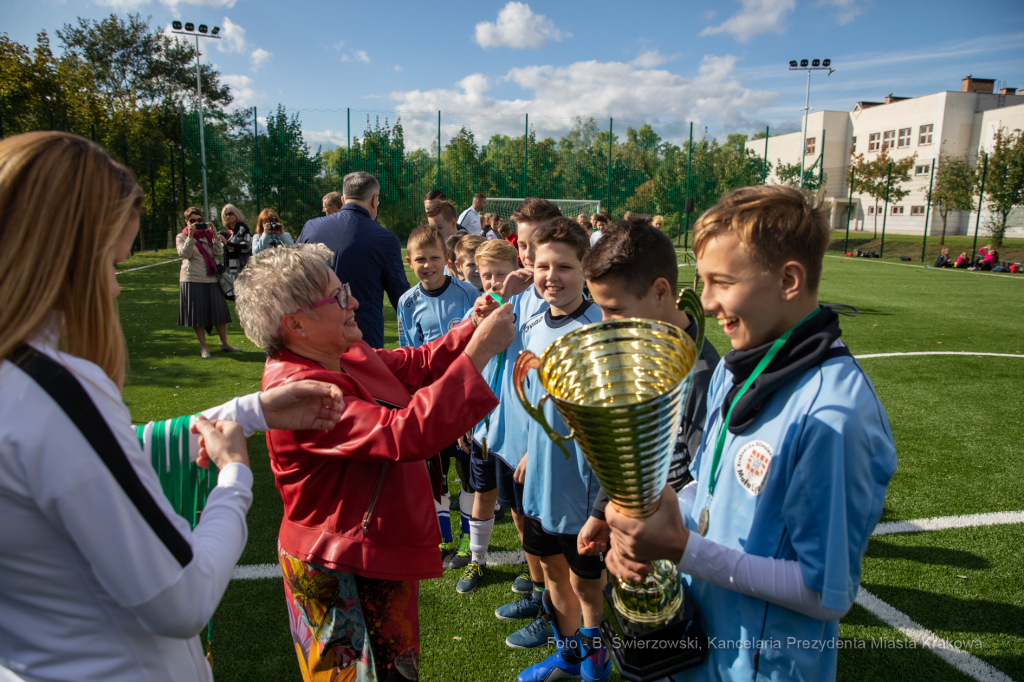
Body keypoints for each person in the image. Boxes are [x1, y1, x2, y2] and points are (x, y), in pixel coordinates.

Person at [0, 131, 347, 682]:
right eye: (110, 264)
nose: (114, 288)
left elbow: (86, 463)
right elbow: (179, 599)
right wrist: (233, 478)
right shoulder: (52, 392)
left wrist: (251, 411)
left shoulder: (23, 391)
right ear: (62, 255)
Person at [604, 185, 897, 682]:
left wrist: (681, 548)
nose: (707, 301)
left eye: (721, 282)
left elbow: (826, 593)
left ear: (789, 280)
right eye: (702, 281)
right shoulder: (739, 365)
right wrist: (649, 515)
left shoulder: (834, 415)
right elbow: (709, 488)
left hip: (768, 668)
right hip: (704, 646)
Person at [232, 243, 516, 682]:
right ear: (296, 324)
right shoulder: (300, 391)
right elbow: (405, 435)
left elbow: (414, 365)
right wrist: (478, 354)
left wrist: (476, 320)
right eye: (339, 297)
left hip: (367, 552)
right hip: (340, 567)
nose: (356, 302)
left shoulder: (337, 352)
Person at [577, 217, 720, 559]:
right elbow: (630, 451)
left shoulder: (701, 373)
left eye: (615, 310)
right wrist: (600, 511)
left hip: (680, 547)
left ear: (660, 292)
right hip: (634, 530)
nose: (604, 324)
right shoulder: (638, 347)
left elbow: (710, 492)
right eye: (600, 309)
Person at [511, 218, 609, 682]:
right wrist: (533, 449)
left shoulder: (599, 330)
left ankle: (595, 663)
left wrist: (602, 506)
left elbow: (610, 424)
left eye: (564, 267)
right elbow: (543, 404)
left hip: (581, 487)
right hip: (541, 480)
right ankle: (569, 654)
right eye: (543, 264)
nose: (551, 276)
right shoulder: (533, 324)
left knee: (586, 583)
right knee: (551, 572)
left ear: (586, 269)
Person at [397, 226, 481, 559]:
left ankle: (466, 539)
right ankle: (443, 537)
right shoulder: (407, 302)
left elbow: (478, 347)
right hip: (430, 401)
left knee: (467, 472)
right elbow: (409, 355)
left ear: (447, 259)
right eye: (420, 260)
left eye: (435, 258)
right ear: (409, 262)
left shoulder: (467, 294)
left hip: (463, 399)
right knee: (436, 471)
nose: (428, 265)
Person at [455, 238, 522, 594]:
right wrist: (466, 416)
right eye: (486, 276)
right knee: (483, 493)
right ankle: (477, 560)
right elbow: (467, 369)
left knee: (518, 507)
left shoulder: (528, 312)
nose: (494, 283)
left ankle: (531, 566)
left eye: (501, 274)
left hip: (517, 429)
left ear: (517, 269)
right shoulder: (474, 314)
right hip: (484, 425)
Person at [297, 171, 410, 349]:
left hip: (315, 333)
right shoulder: (384, 238)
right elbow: (401, 297)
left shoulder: (311, 227)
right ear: (374, 199)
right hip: (363, 335)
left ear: (343, 200)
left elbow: (293, 279)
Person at [177, 206, 240, 358]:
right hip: (192, 278)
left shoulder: (207, 235)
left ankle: (224, 343)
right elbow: (184, 254)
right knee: (198, 316)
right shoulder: (182, 236)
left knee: (219, 312)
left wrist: (215, 237)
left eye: (199, 220)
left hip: (212, 277)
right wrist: (191, 237)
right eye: (192, 221)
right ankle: (204, 347)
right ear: (186, 222)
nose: (196, 223)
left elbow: (218, 253)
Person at [220, 203, 252, 275]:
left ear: (236, 213)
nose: (228, 216)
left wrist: (227, 244)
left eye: (231, 213)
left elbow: (247, 247)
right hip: (228, 270)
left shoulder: (242, 228)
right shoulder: (227, 232)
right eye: (226, 215)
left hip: (241, 270)